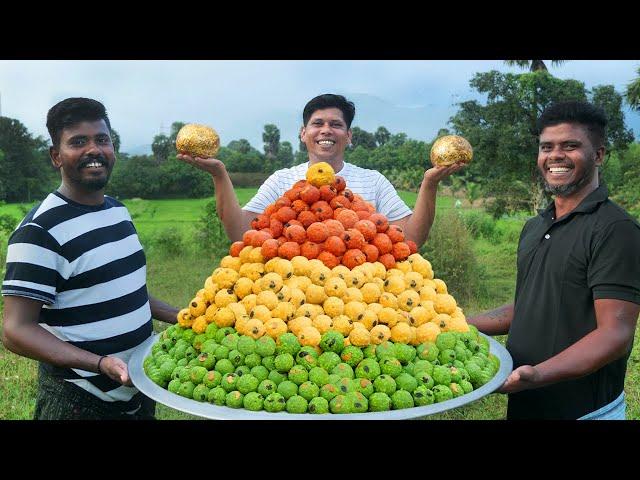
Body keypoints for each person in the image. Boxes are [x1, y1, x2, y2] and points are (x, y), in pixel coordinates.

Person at [1, 97, 179, 420]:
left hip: (139, 391)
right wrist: (98, 363)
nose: (93, 150)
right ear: (56, 156)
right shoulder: (40, 230)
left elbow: (126, 292)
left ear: (114, 149)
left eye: (102, 139)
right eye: (78, 142)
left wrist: (183, 315)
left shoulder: (118, 212)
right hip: (79, 402)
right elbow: (15, 330)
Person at [468, 101, 640, 420]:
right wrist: (456, 323)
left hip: (585, 412)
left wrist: (537, 375)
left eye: (570, 146)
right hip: (527, 405)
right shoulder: (536, 226)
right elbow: (527, 306)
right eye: (547, 147)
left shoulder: (615, 230)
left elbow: (615, 334)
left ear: (599, 154)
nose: (555, 155)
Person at [177, 93, 464, 247]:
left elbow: (412, 239)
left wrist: (429, 184)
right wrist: (220, 174)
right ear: (303, 133)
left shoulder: (372, 181)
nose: (326, 130)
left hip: (364, 300)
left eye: (336, 124)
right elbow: (240, 233)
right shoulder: (283, 181)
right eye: (317, 123)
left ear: (349, 136)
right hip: (293, 303)